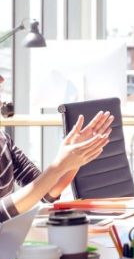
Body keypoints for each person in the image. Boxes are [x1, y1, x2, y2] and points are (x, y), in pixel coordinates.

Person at [0, 74, 113, 222]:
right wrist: (59, 167)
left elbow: (45, 193)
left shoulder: (4, 141)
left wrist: (75, 158)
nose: (2, 79)